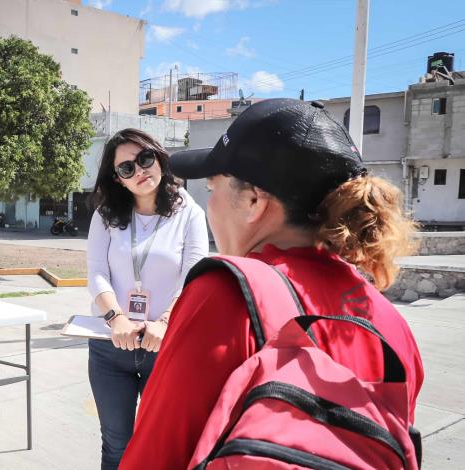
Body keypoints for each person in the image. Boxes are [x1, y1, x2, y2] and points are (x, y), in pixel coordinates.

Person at [120, 99, 424, 469]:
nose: (209, 205)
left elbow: (156, 455)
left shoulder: (227, 296)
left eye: (213, 189)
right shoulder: (390, 322)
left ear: (252, 200)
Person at [86, 128, 209, 469]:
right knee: (116, 446)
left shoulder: (189, 211)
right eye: (127, 168)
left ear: (158, 157)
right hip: (111, 349)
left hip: (166, 347)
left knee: (164, 445)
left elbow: (194, 274)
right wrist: (117, 319)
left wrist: (166, 320)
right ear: (118, 179)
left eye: (144, 159)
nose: (139, 171)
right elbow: (96, 272)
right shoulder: (106, 214)